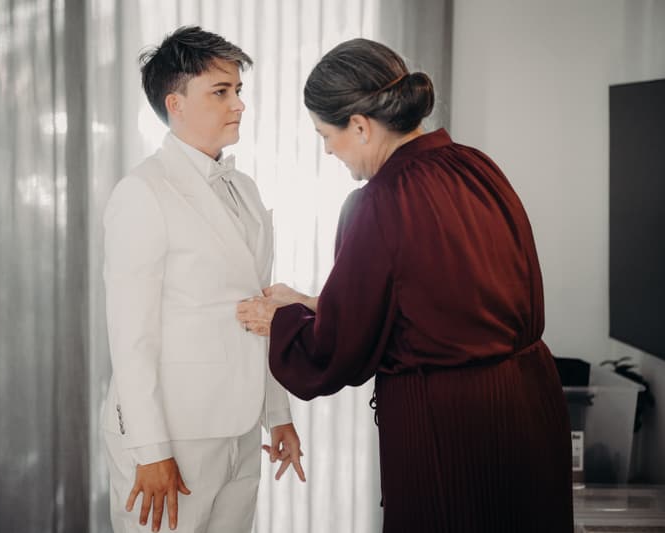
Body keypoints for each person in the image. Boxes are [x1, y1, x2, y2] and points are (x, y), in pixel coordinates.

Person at [237, 38, 573, 533]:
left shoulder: (379, 201)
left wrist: (282, 320)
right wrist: (310, 303)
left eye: (326, 135)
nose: (327, 150)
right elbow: (441, 297)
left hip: (453, 428)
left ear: (360, 125)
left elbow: (340, 349)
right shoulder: (475, 166)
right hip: (530, 404)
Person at [102, 26, 304, 533]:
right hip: (173, 433)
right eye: (221, 91)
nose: (239, 104)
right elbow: (130, 336)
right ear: (176, 104)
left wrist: (277, 413)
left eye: (238, 90)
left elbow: (258, 311)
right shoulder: (142, 191)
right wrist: (151, 450)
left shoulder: (246, 189)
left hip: (241, 428)